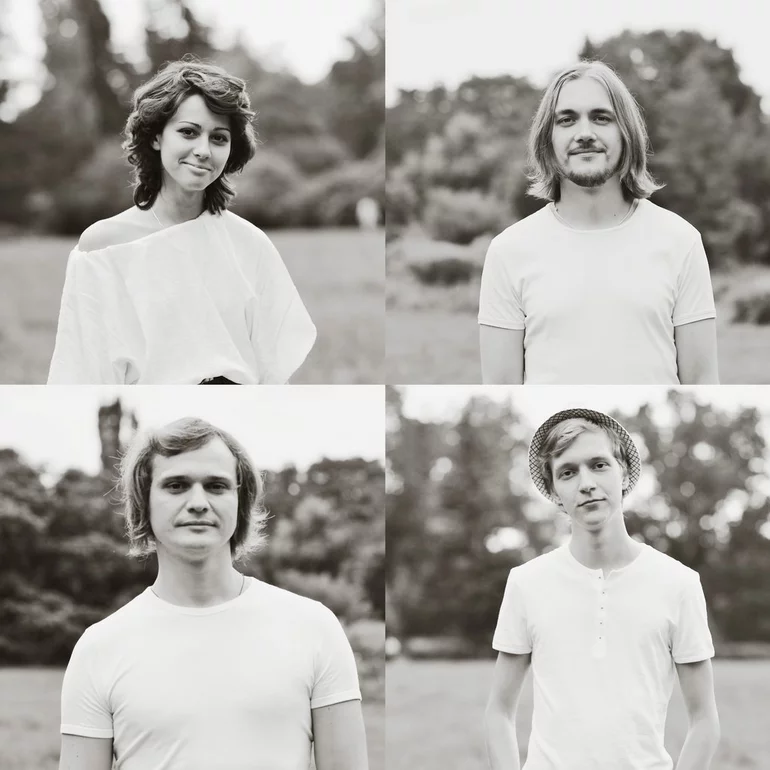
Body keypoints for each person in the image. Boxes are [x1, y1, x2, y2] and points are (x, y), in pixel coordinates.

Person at [59, 417, 368, 770]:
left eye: (217, 486)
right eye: (176, 485)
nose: (198, 502)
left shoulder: (314, 628)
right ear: (144, 503)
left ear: (241, 501)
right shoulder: (99, 648)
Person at [48, 59, 316, 384]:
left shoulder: (250, 244)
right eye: (188, 132)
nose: (203, 150)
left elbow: (273, 376)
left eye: (219, 138)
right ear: (157, 137)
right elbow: (83, 373)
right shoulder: (104, 247)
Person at [485, 408, 720, 770]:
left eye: (598, 465)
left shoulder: (679, 583)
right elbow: (499, 712)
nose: (585, 483)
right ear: (553, 490)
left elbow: (704, 720)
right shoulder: (526, 582)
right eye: (567, 472)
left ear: (623, 471)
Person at [478, 61, 718, 385]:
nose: (585, 134)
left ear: (626, 133)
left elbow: (702, 382)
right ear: (547, 139)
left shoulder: (681, 241)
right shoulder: (508, 251)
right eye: (567, 120)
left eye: (601, 118)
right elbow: (500, 388)